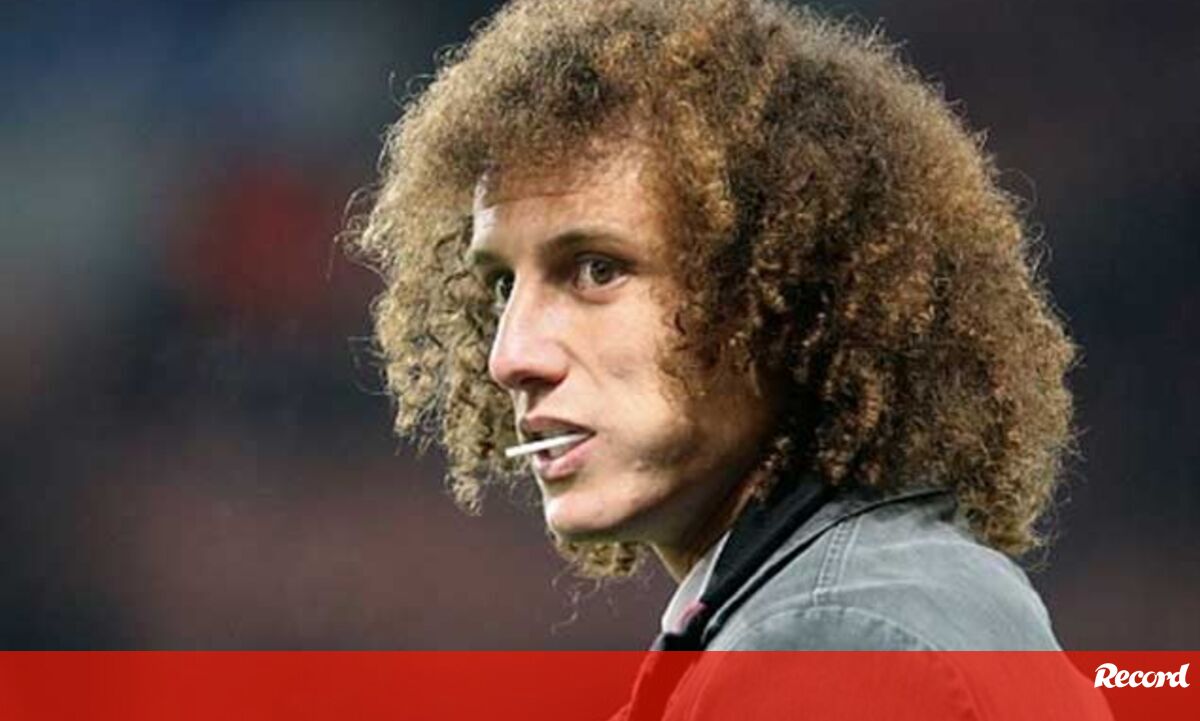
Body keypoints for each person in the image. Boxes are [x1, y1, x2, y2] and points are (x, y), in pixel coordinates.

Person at [349, 0, 1111, 717]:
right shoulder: (880, 598)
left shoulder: (834, 643)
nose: (509, 355)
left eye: (597, 269)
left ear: (784, 290)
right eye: (502, 285)